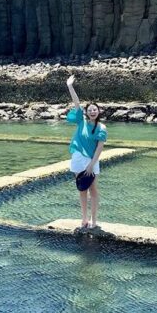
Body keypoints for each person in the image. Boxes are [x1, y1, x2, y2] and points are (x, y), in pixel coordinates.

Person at [65, 74, 107, 230]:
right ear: (87, 112)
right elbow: (76, 103)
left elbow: (100, 148)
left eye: (95, 110)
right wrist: (70, 86)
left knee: (94, 189)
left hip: (92, 160)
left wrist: (92, 164)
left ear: (98, 111)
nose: (92, 112)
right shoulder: (81, 121)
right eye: (90, 110)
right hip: (78, 158)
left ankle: (94, 220)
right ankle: (84, 219)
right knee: (82, 188)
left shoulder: (102, 128)